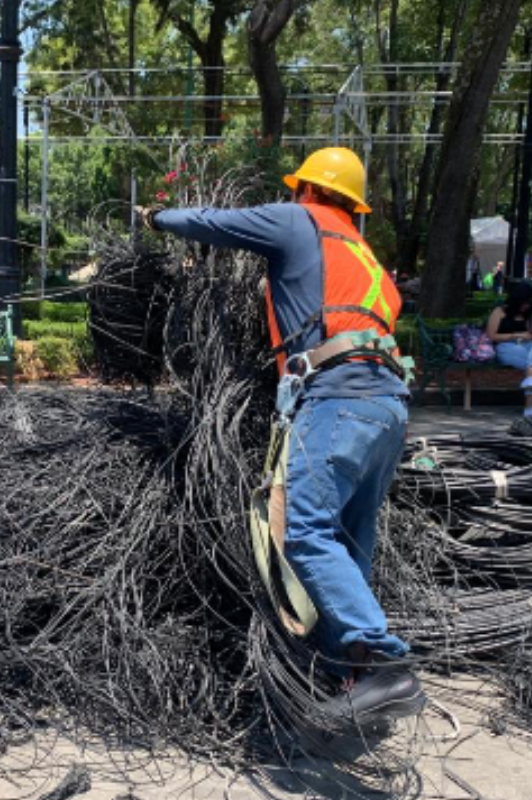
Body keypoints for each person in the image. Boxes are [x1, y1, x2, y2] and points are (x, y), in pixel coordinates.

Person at [139, 147, 424, 724]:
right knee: (349, 539)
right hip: (387, 402)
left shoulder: (301, 220)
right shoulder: (363, 252)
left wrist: (156, 218)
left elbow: (216, 225)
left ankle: (387, 666)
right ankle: (352, 671)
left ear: (308, 190)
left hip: (337, 394)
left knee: (305, 533)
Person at [486, 282, 532, 416]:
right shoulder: (499, 312)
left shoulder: (528, 313)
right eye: (525, 303)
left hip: (525, 346)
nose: (526, 306)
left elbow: (531, 333)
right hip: (505, 347)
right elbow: (491, 335)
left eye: (529, 303)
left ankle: (530, 381)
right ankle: (530, 406)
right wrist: (517, 335)